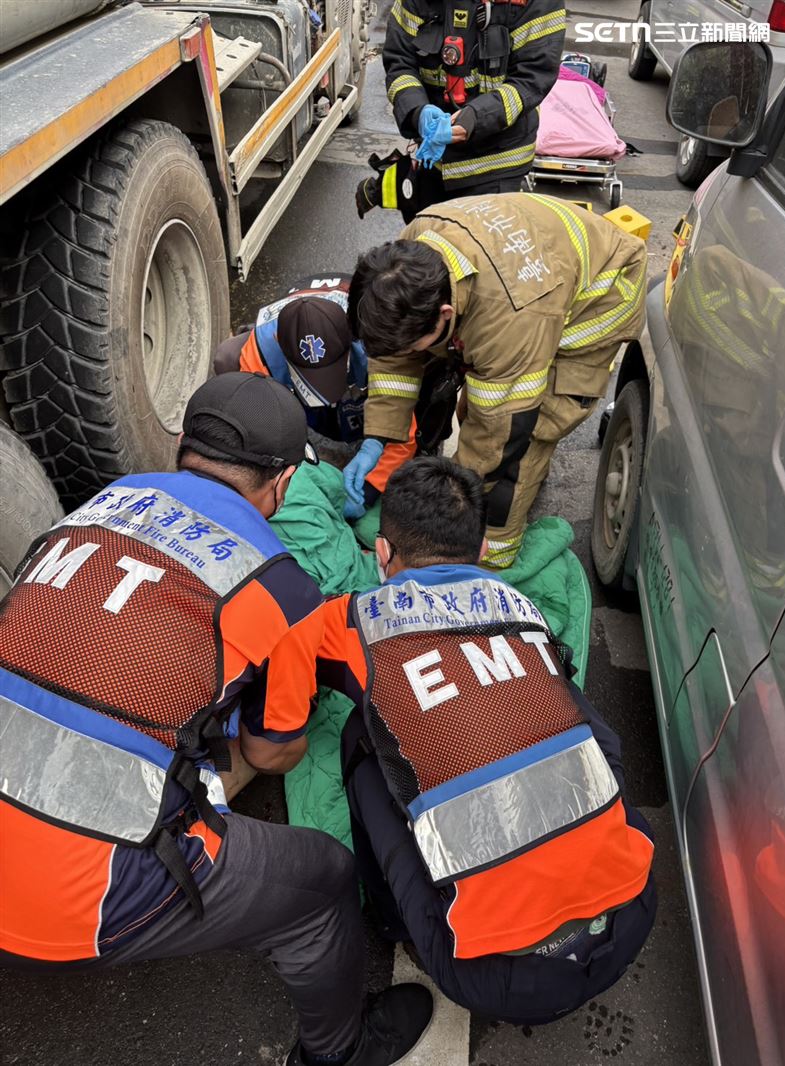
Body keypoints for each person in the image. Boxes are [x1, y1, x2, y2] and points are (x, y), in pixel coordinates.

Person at [0, 372, 432, 1066]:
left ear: (179, 448)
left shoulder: (99, 506)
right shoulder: (279, 584)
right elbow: (272, 754)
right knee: (321, 881)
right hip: (71, 904)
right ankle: (338, 1049)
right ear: (284, 483)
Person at [317, 456, 656, 1022]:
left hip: (498, 980)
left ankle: (392, 918)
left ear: (382, 554)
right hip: (634, 914)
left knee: (360, 735)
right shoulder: (523, 610)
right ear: (479, 555)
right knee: (569, 703)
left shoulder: (352, 618)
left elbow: (280, 694)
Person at [344, 193, 647, 567]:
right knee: (485, 400)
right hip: (546, 264)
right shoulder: (412, 248)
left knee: (525, 439)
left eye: (412, 345)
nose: (403, 354)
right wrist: (377, 438)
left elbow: (500, 432)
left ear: (445, 313)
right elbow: (394, 359)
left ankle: (490, 560)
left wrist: (448, 508)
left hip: (600, 296)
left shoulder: (510, 320)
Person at [214, 274, 416, 517]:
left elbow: (400, 425)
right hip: (293, 328)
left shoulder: (377, 343)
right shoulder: (262, 353)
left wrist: (371, 487)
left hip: (355, 329)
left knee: (410, 392)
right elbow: (257, 432)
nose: (328, 398)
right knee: (227, 357)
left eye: (332, 374)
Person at [358, 0, 566, 218]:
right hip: (432, 159)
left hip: (495, 166)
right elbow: (400, 61)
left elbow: (532, 77)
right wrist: (417, 112)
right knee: (427, 246)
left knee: (477, 249)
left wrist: (478, 117)